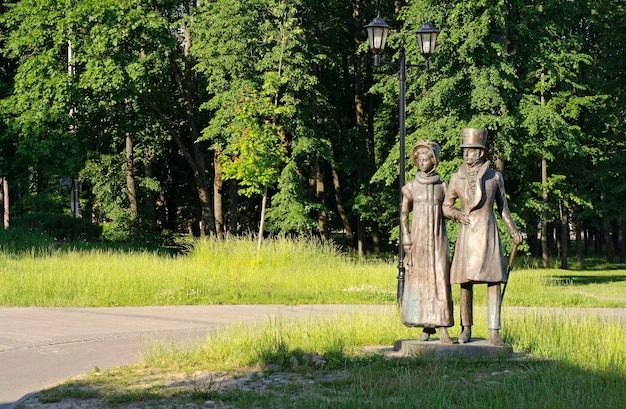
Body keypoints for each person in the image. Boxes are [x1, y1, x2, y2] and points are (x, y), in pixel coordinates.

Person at [443, 128, 523, 346]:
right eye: (465, 150)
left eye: (470, 150)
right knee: (465, 283)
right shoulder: (456, 178)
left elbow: (503, 207)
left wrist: (513, 230)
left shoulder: (495, 177)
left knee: (493, 281)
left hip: (488, 231)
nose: (466, 154)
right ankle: (465, 328)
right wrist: (459, 215)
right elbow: (446, 207)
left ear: (480, 153)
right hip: (467, 233)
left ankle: (494, 330)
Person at [400, 140, 454, 344]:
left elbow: (448, 210)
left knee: (441, 278)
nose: (422, 162)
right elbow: (404, 214)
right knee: (421, 281)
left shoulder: (443, 186)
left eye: (426, 159)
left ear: (434, 160)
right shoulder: (411, 187)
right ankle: (425, 326)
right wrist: (406, 237)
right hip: (419, 239)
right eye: (419, 159)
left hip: (438, 238)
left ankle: (443, 326)